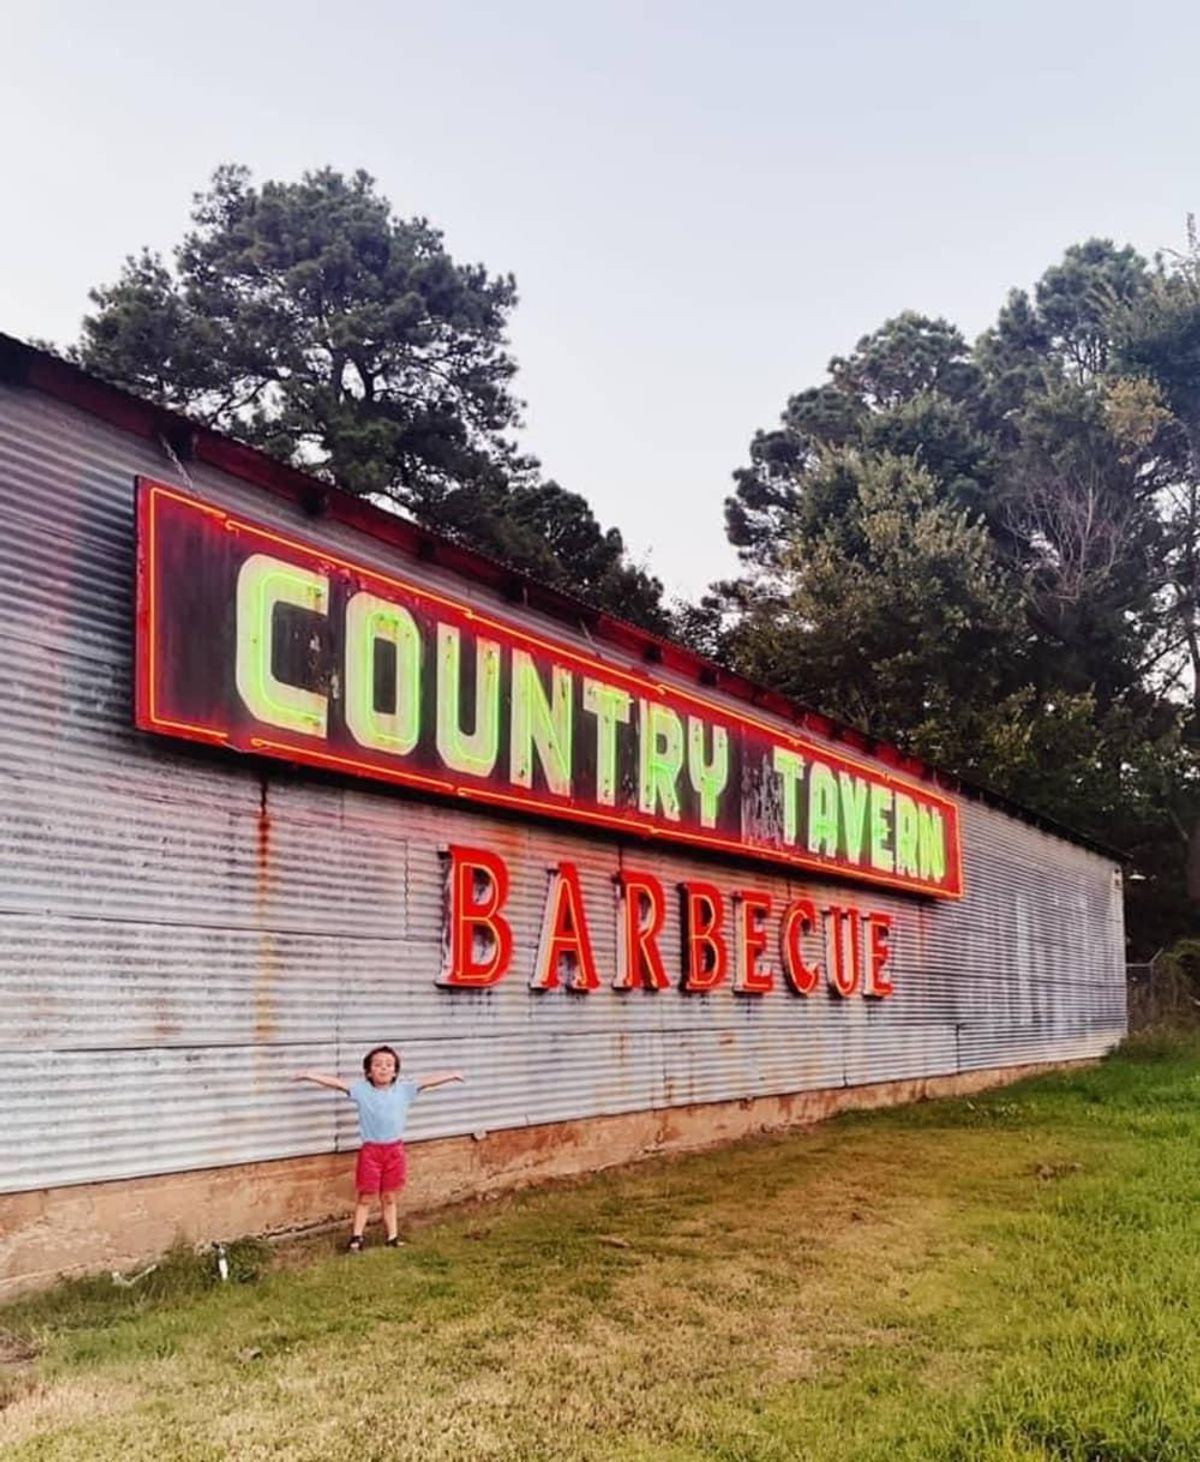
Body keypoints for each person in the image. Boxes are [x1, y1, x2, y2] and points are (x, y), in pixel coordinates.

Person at [294, 1046, 464, 1251]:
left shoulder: (404, 1090)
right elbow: (338, 1084)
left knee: (389, 1197)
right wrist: (309, 1075)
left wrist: (452, 1075)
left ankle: (392, 1238)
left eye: (388, 1065)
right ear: (368, 1071)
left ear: (395, 1071)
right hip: (371, 1152)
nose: (383, 1068)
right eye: (377, 1064)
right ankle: (356, 1238)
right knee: (365, 1196)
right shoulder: (361, 1090)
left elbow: (428, 1081)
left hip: (395, 1151)